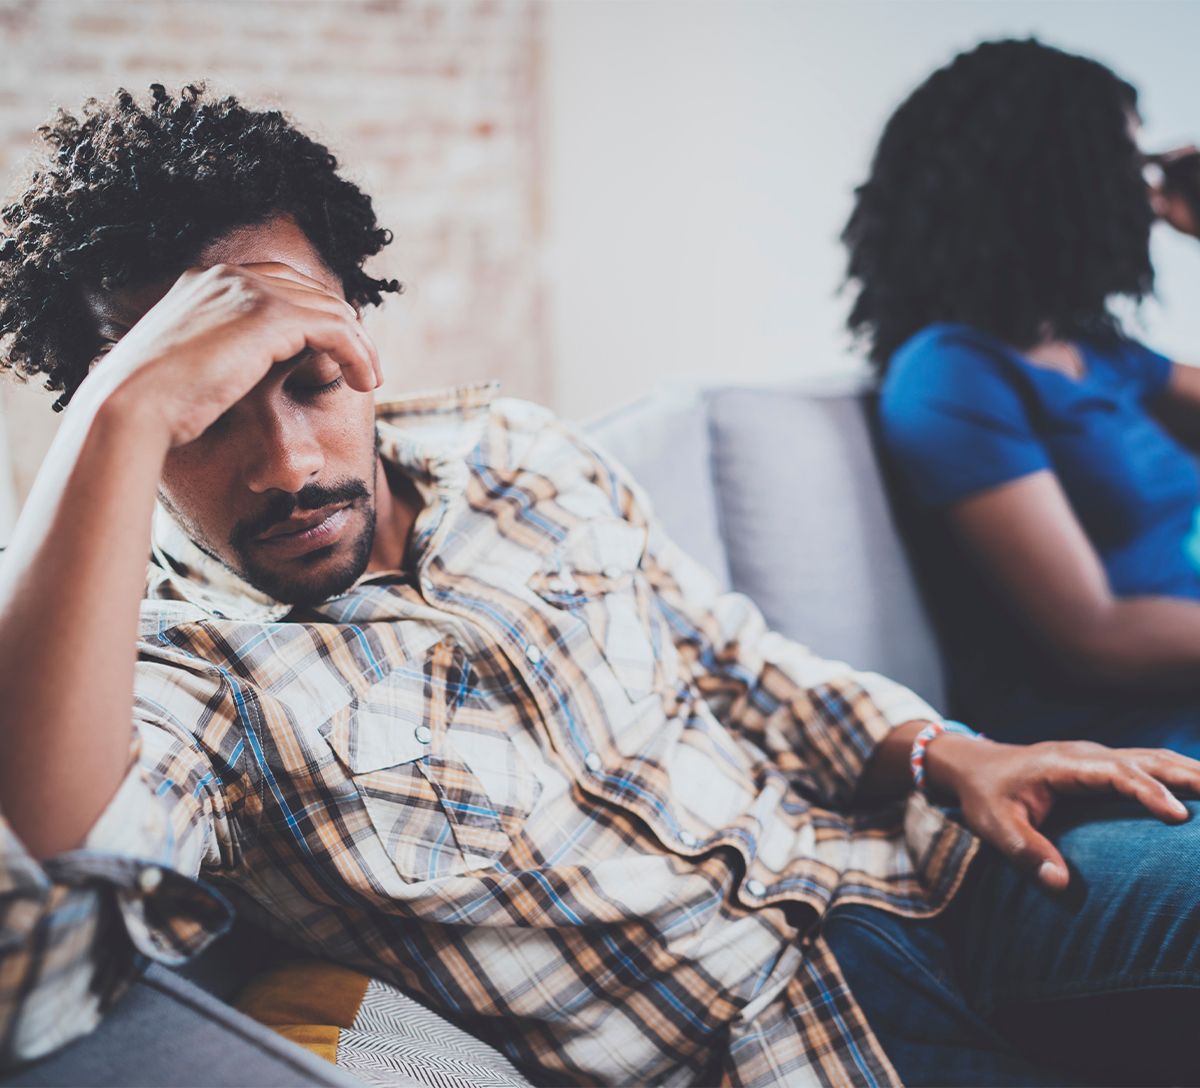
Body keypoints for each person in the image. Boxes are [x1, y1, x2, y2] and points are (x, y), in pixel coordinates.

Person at [1, 84, 1199, 1088]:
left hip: (924, 869)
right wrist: (121, 405)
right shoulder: (180, 670)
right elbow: (35, 948)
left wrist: (941, 748)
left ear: (363, 332)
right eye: (202, 410)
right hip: (789, 1045)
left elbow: (732, 654)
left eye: (312, 377)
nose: (291, 462)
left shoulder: (513, 452)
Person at [847, 38, 1200, 757]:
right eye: (1127, 165)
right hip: (1120, 734)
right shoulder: (950, 372)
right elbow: (1098, 638)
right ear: (1060, 184)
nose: (1146, 191)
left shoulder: (1100, 353)